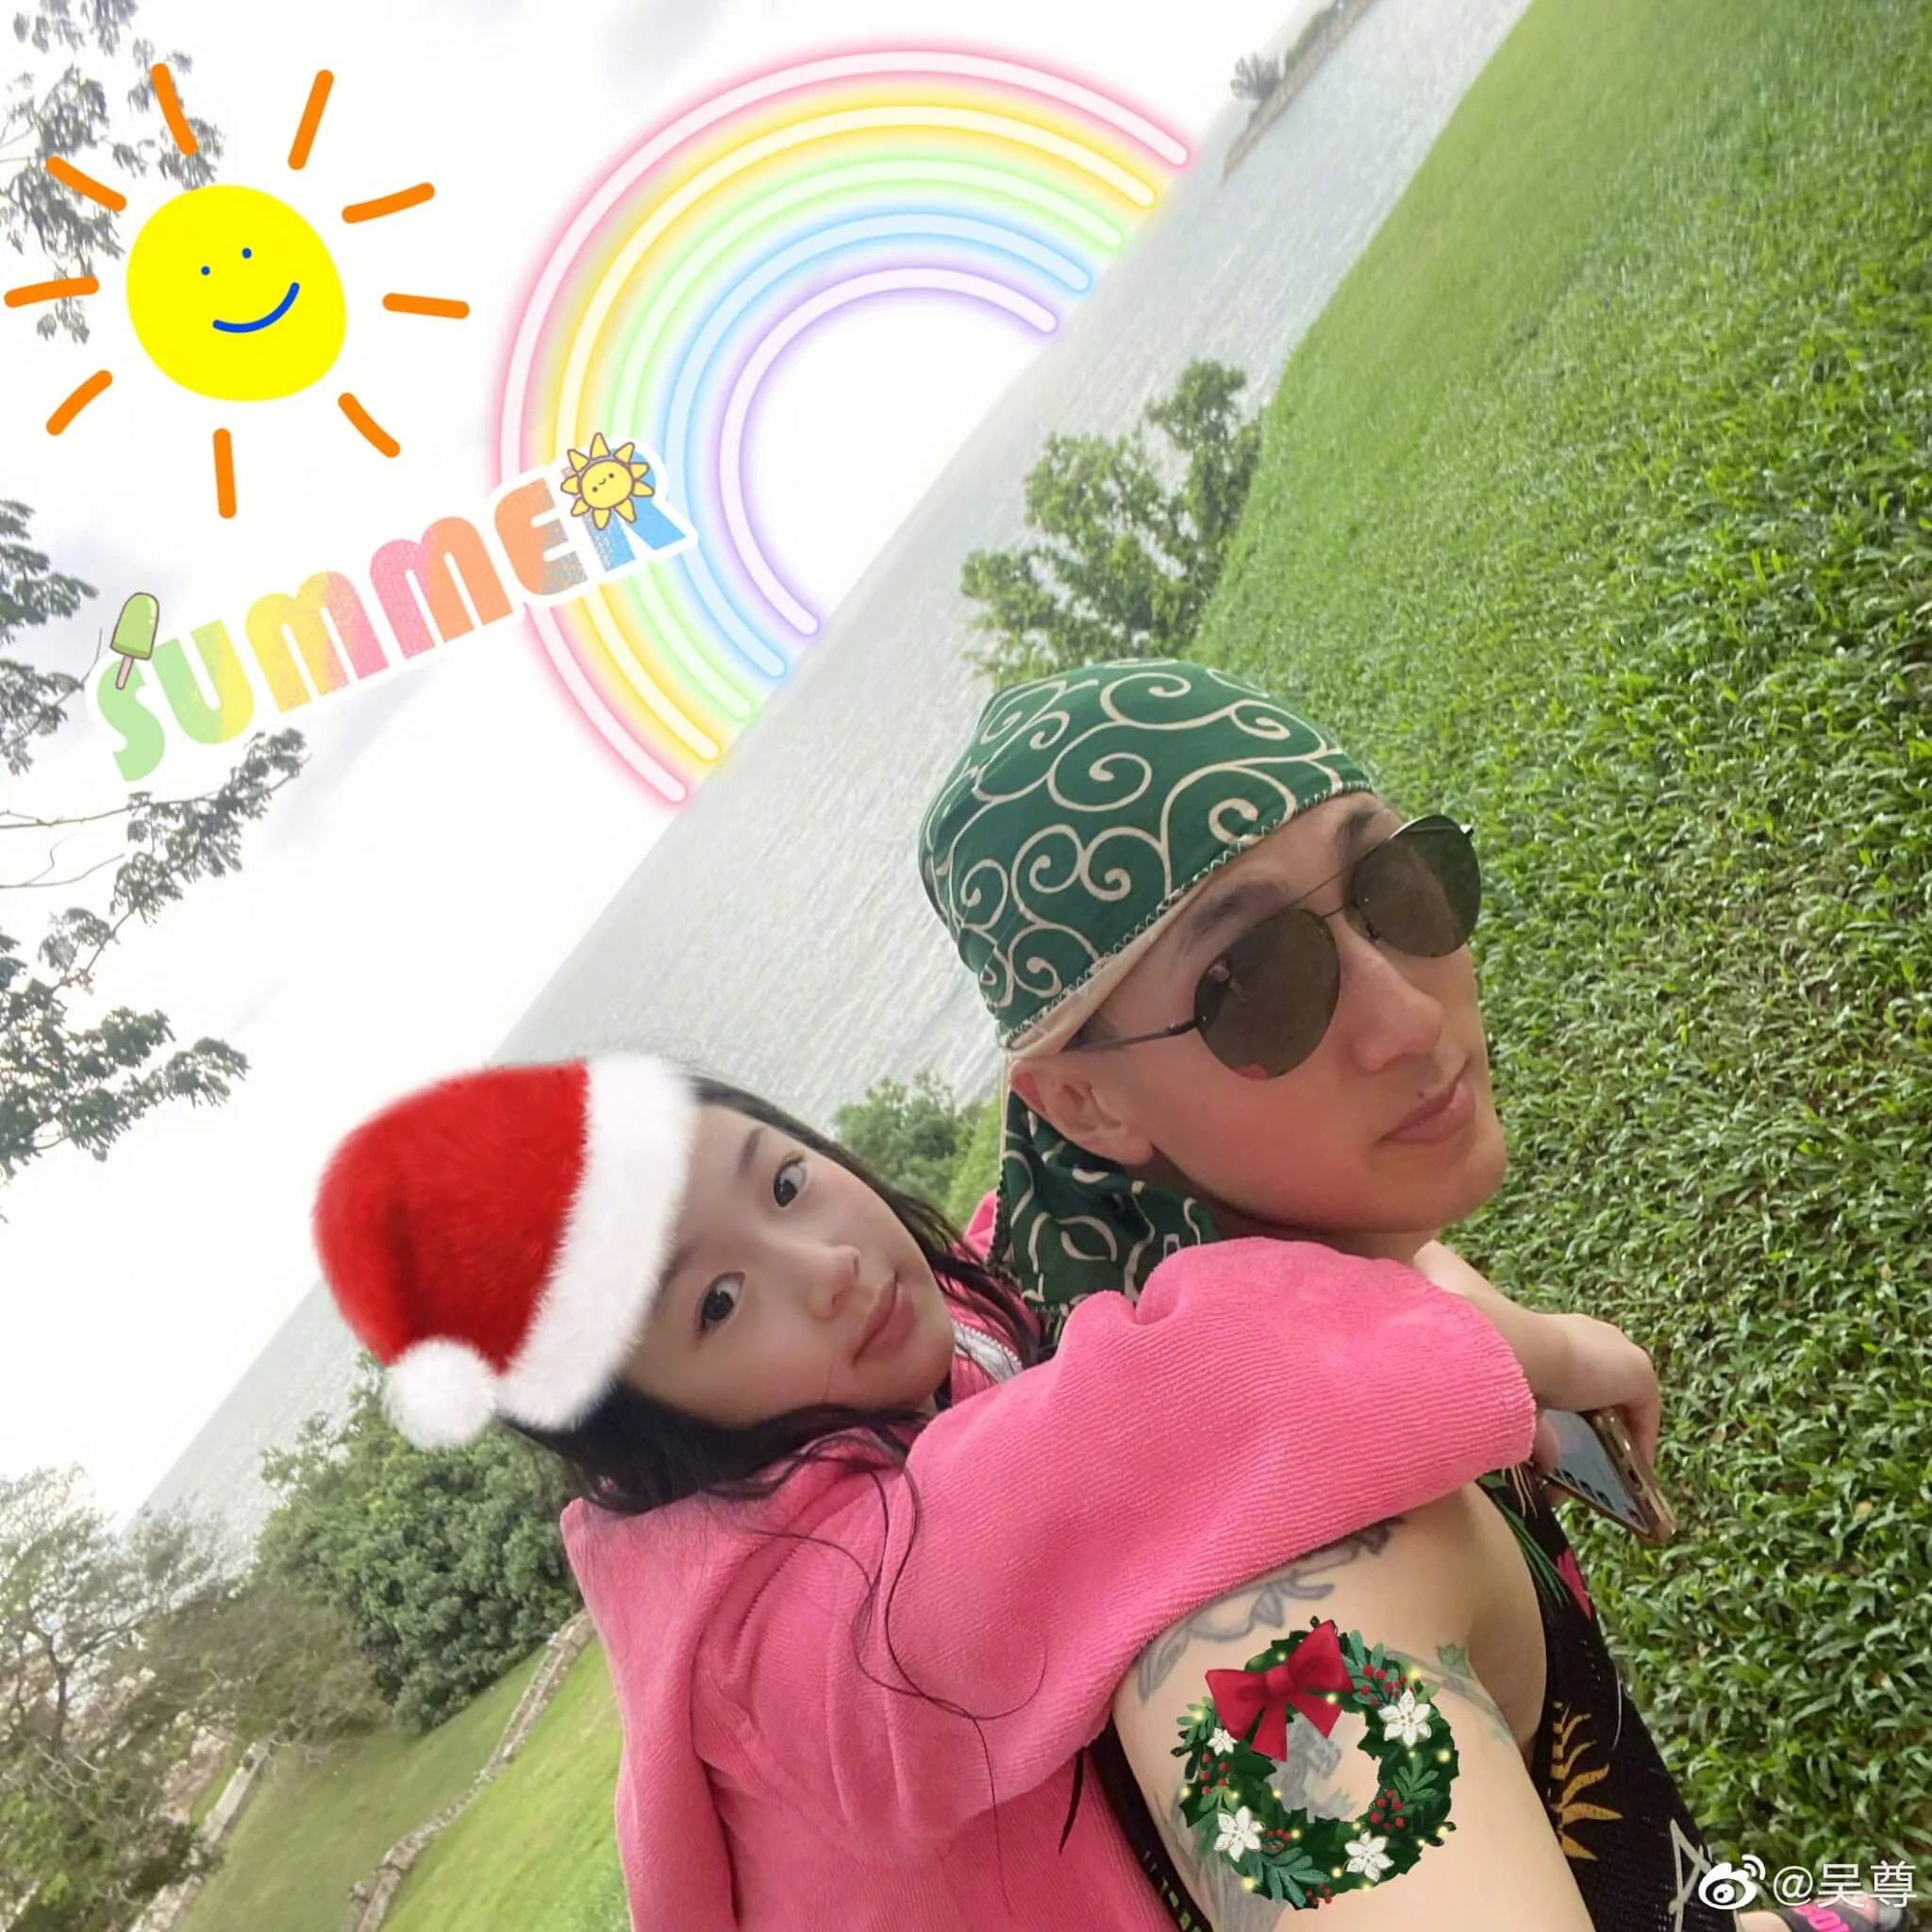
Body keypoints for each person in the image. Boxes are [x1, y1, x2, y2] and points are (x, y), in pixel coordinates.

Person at [917, 655, 1910, 1932]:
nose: (1406, 1017)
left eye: (1393, 884)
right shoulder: (1263, 1631)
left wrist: (1543, 1347)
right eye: (1255, 988)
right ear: (1085, 1103)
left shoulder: (1284, 1265)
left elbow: (1375, 1307)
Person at [309, 1054, 1665, 1930]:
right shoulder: (808, 1620)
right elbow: (1176, 1400)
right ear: (649, 1437)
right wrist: (1540, 1348)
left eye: (785, 1180)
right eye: (718, 1303)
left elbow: (1025, 1297)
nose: (824, 1266)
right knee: (1281, 1652)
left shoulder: (902, 1353)